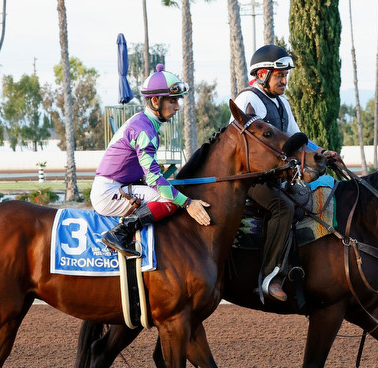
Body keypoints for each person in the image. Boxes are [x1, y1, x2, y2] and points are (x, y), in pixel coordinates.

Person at [233, 44, 337, 301]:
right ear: (261, 75)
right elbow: (237, 144)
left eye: (286, 76)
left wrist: (321, 152)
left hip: (274, 176)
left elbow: (296, 138)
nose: (284, 81)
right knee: (283, 208)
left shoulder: (282, 102)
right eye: (279, 75)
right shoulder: (248, 100)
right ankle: (269, 277)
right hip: (249, 178)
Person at [91, 64, 210, 258]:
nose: (177, 107)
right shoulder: (145, 130)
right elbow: (155, 181)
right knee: (170, 200)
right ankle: (119, 233)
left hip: (116, 186)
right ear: (155, 101)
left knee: (170, 192)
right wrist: (188, 203)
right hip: (108, 193)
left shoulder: (144, 122)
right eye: (172, 101)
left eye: (177, 101)